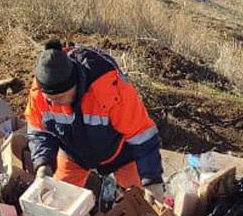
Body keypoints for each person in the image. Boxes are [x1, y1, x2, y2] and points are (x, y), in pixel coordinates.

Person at [25, 40, 164, 196]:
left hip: (121, 152)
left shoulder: (110, 89)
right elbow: (38, 130)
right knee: (58, 198)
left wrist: (152, 181)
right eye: (49, 98)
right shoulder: (39, 93)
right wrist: (43, 164)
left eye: (60, 97)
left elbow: (142, 134)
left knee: (140, 200)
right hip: (74, 153)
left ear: (75, 85)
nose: (53, 103)